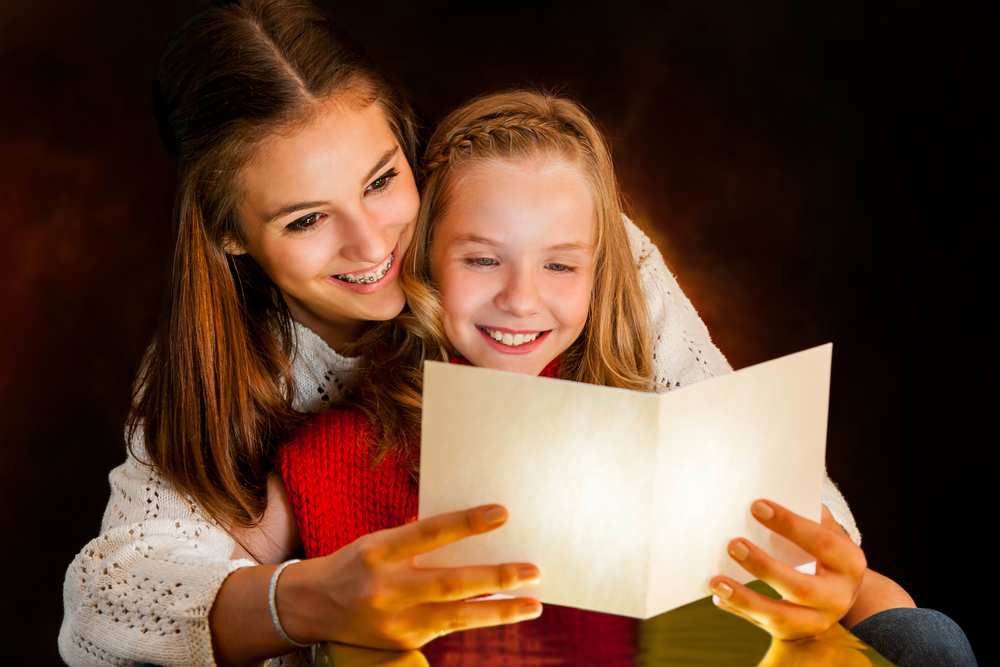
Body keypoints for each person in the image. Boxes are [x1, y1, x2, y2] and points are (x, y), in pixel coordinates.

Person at [58, 2, 765, 666]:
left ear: (408, 145)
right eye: (306, 219)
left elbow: (759, 467)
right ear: (228, 234)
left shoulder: (543, 227)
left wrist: (841, 584)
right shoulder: (230, 375)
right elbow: (100, 611)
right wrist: (302, 597)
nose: (372, 246)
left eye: (381, 180)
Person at [276, 90, 978, 667]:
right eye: (483, 259)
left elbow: (811, 586)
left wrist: (832, 584)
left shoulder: (664, 435)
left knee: (930, 641)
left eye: (560, 265)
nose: (521, 298)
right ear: (422, 261)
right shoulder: (336, 450)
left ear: (597, 277)